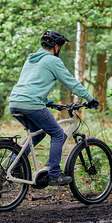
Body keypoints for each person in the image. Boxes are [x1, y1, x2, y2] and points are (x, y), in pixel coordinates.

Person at [8, 30, 99, 186]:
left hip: (15, 102)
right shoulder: (53, 61)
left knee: (39, 133)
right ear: (56, 46)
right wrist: (89, 98)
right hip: (31, 104)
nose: (61, 50)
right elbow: (72, 83)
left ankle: (13, 165)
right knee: (57, 133)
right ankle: (54, 175)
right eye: (61, 47)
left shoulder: (31, 59)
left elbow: (29, 83)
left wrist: (45, 100)